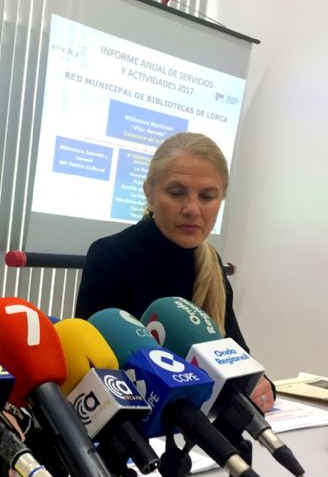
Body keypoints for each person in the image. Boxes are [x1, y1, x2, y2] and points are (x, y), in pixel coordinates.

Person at [75, 132, 274, 411]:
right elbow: (94, 372)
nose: (192, 209)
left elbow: (236, 357)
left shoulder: (211, 263)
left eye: (207, 196)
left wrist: (260, 386)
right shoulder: (109, 255)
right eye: (177, 193)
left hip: (203, 422)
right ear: (149, 192)